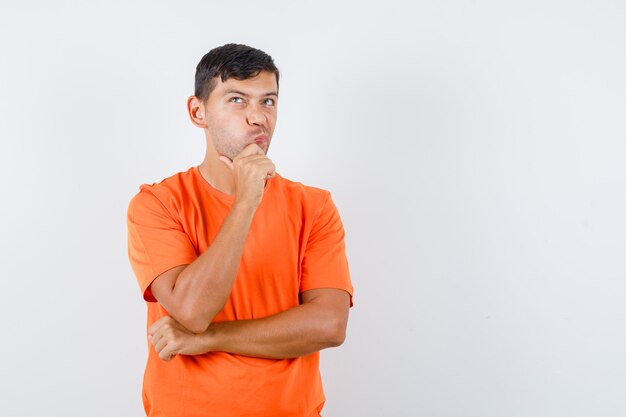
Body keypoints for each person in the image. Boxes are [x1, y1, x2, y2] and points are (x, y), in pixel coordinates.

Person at [126, 43, 355, 417]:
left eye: (268, 102)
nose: (257, 117)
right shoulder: (158, 203)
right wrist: (247, 201)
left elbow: (329, 325)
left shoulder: (314, 206)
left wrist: (210, 339)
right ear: (198, 111)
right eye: (237, 99)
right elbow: (193, 311)